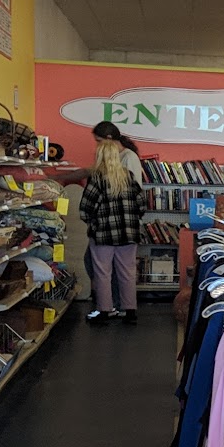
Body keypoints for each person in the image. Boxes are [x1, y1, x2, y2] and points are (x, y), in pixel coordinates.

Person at [80, 135, 143, 324]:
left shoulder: (97, 178)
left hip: (103, 234)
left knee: (102, 273)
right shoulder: (128, 176)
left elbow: (86, 208)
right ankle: (130, 312)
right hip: (129, 233)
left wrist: (92, 223)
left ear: (100, 156)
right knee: (128, 272)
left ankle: (105, 311)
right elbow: (141, 204)